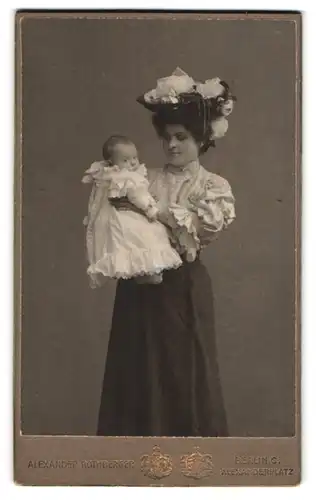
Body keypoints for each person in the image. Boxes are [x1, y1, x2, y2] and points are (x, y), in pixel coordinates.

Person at [97, 68, 236, 437]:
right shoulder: (145, 177)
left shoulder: (212, 186)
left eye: (182, 138)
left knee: (182, 367)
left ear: (202, 139)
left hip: (182, 288)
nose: (173, 145)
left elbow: (202, 228)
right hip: (139, 286)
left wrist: (157, 213)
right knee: (136, 368)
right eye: (168, 138)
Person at [82, 135, 182, 287]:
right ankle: (148, 272)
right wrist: (150, 209)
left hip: (110, 217)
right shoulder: (128, 177)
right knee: (148, 237)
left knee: (126, 245)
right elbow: (138, 196)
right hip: (124, 218)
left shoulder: (107, 175)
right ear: (111, 162)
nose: (132, 163)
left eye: (134, 157)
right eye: (125, 160)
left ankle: (143, 273)